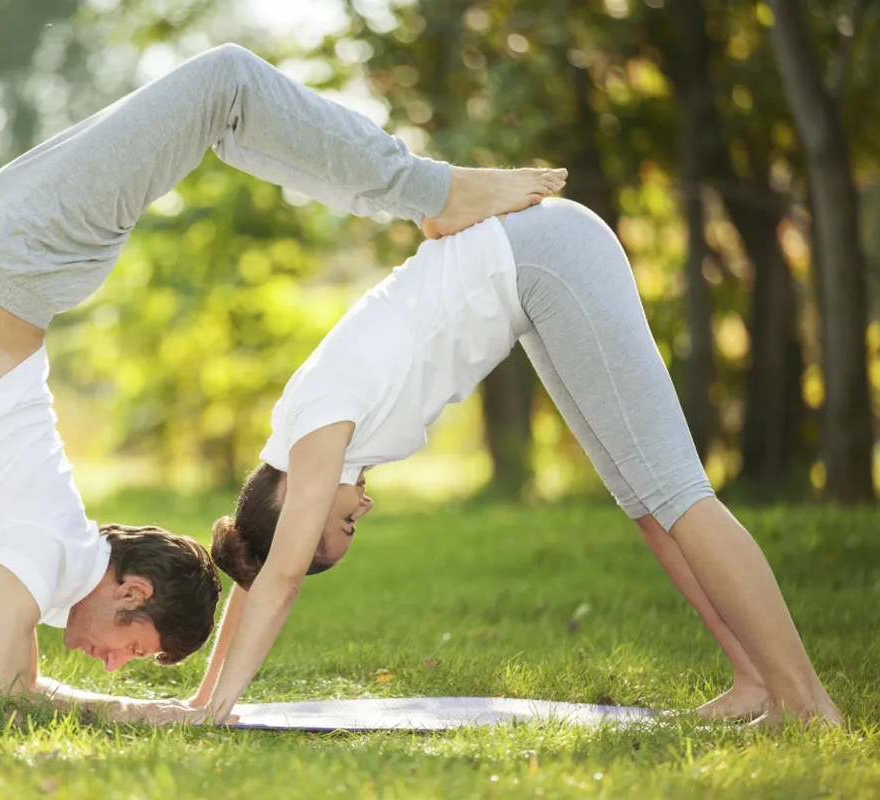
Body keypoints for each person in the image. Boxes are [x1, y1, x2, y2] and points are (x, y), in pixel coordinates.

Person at [0, 42, 566, 725]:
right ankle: (439, 191)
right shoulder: (46, 549)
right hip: (27, 251)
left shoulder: (48, 567)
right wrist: (164, 715)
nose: (112, 662)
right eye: (134, 648)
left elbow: (11, 687)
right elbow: (1, 694)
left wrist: (183, 708)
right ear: (131, 592)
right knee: (227, 83)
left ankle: (429, 195)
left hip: (1, 251)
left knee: (227, 103)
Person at [197, 198, 844, 728]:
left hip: (546, 260)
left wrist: (217, 713)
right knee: (646, 504)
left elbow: (281, 574)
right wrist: (202, 700)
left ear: (298, 508)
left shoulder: (316, 430)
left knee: (676, 491)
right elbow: (261, 566)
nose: (362, 509)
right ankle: (754, 680)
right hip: (532, 277)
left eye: (345, 526)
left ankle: (805, 701)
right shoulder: (305, 448)